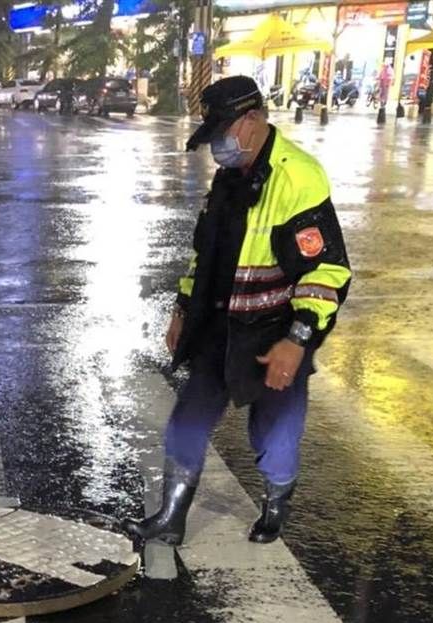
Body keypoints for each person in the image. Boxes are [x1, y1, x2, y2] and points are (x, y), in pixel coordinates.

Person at [123, 76, 351, 546]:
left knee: (275, 439)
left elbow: (326, 271)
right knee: (186, 422)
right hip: (221, 325)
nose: (217, 147)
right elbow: (205, 253)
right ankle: (170, 518)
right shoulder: (233, 175)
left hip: (275, 335)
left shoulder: (298, 177)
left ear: (251, 121)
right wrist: (184, 307)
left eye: (222, 132)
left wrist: (298, 340)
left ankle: (276, 502)